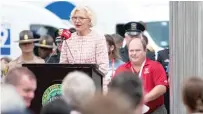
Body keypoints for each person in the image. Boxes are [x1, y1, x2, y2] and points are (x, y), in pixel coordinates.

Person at [114, 38, 168, 114]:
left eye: (137, 50)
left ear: (145, 50)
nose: (134, 53)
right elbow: (115, 90)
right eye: (131, 51)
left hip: (155, 111)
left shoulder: (155, 66)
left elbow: (162, 87)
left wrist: (144, 99)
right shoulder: (121, 69)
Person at [59, 6, 109, 74]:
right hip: (72, 81)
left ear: (90, 20)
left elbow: (103, 67)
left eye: (81, 18)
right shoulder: (68, 39)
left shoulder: (98, 38)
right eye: (74, 18)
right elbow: (62, 65)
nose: (77, 21)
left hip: (92, 82)